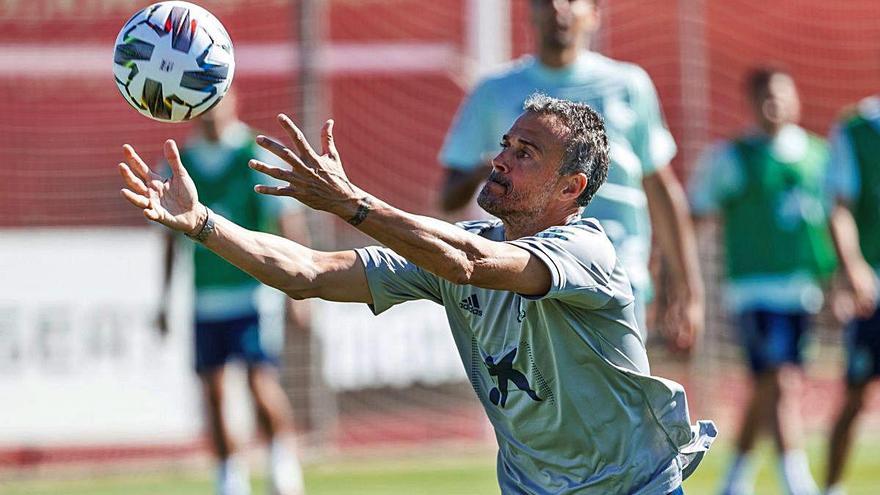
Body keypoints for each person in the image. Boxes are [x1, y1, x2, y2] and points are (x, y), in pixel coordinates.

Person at [118, 93, 715, 494]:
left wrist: (352, 202)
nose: (500, 160)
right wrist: (203, 225)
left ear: (571, 187)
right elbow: (308, 272)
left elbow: (468, 261)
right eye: (505, 144)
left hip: (633, 488)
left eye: (524, 154)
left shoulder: (590, 251)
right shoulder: (452, 247)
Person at [439, 0, 703, 350]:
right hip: (525, 277)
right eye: (545, 2)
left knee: (617, 400)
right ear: (530, 12)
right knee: (536, 399)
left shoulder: (628, 84)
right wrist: (495, 164)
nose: (558, 10)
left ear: (594, 13)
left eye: (571, 1)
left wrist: (688, 289)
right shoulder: (494, 91)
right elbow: (448, 196)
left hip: (615, 276)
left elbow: (660, 186)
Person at [688, 67, 836, 495]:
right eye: (766, 98)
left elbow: (832, 222)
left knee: (768, 386)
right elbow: (697, 213)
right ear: (751, 103)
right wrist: (679, 272)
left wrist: (837, 279)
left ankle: (735, 479)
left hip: (804, 291)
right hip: (754, 290)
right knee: (781, 381)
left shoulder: (817, 155)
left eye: (782, 96)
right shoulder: (732, 158)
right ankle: (798, 482)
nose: (776, 105)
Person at [156, 92, 307, 495]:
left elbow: (286, 222)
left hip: (253, 294)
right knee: (214, 389)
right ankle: (229, 475)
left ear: (232, 99)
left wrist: (299, 290)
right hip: (206, 298)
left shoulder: (251, 154)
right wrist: (165, 299)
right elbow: (170, 239)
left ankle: (281, 461)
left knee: (260, 383)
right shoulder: (179, 162)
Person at [823, 95, 880, 495]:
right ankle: (831, 488)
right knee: (856, 396)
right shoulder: (856, 128)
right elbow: (839, 208)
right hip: (874, 288)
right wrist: (853, 266)